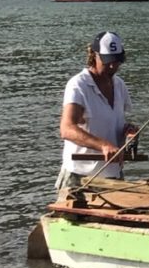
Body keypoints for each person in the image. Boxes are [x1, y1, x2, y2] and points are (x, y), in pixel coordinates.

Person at [57, 31, 136, 189]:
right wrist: (103, 146)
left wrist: (129, 132)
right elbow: (67, 129)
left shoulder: (119, 85)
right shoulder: (78, 85)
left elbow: (114, 123)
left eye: (117, 61)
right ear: (94, 56)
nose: (113, 66)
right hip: (80, 176)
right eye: (108, 61)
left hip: (113, 175)